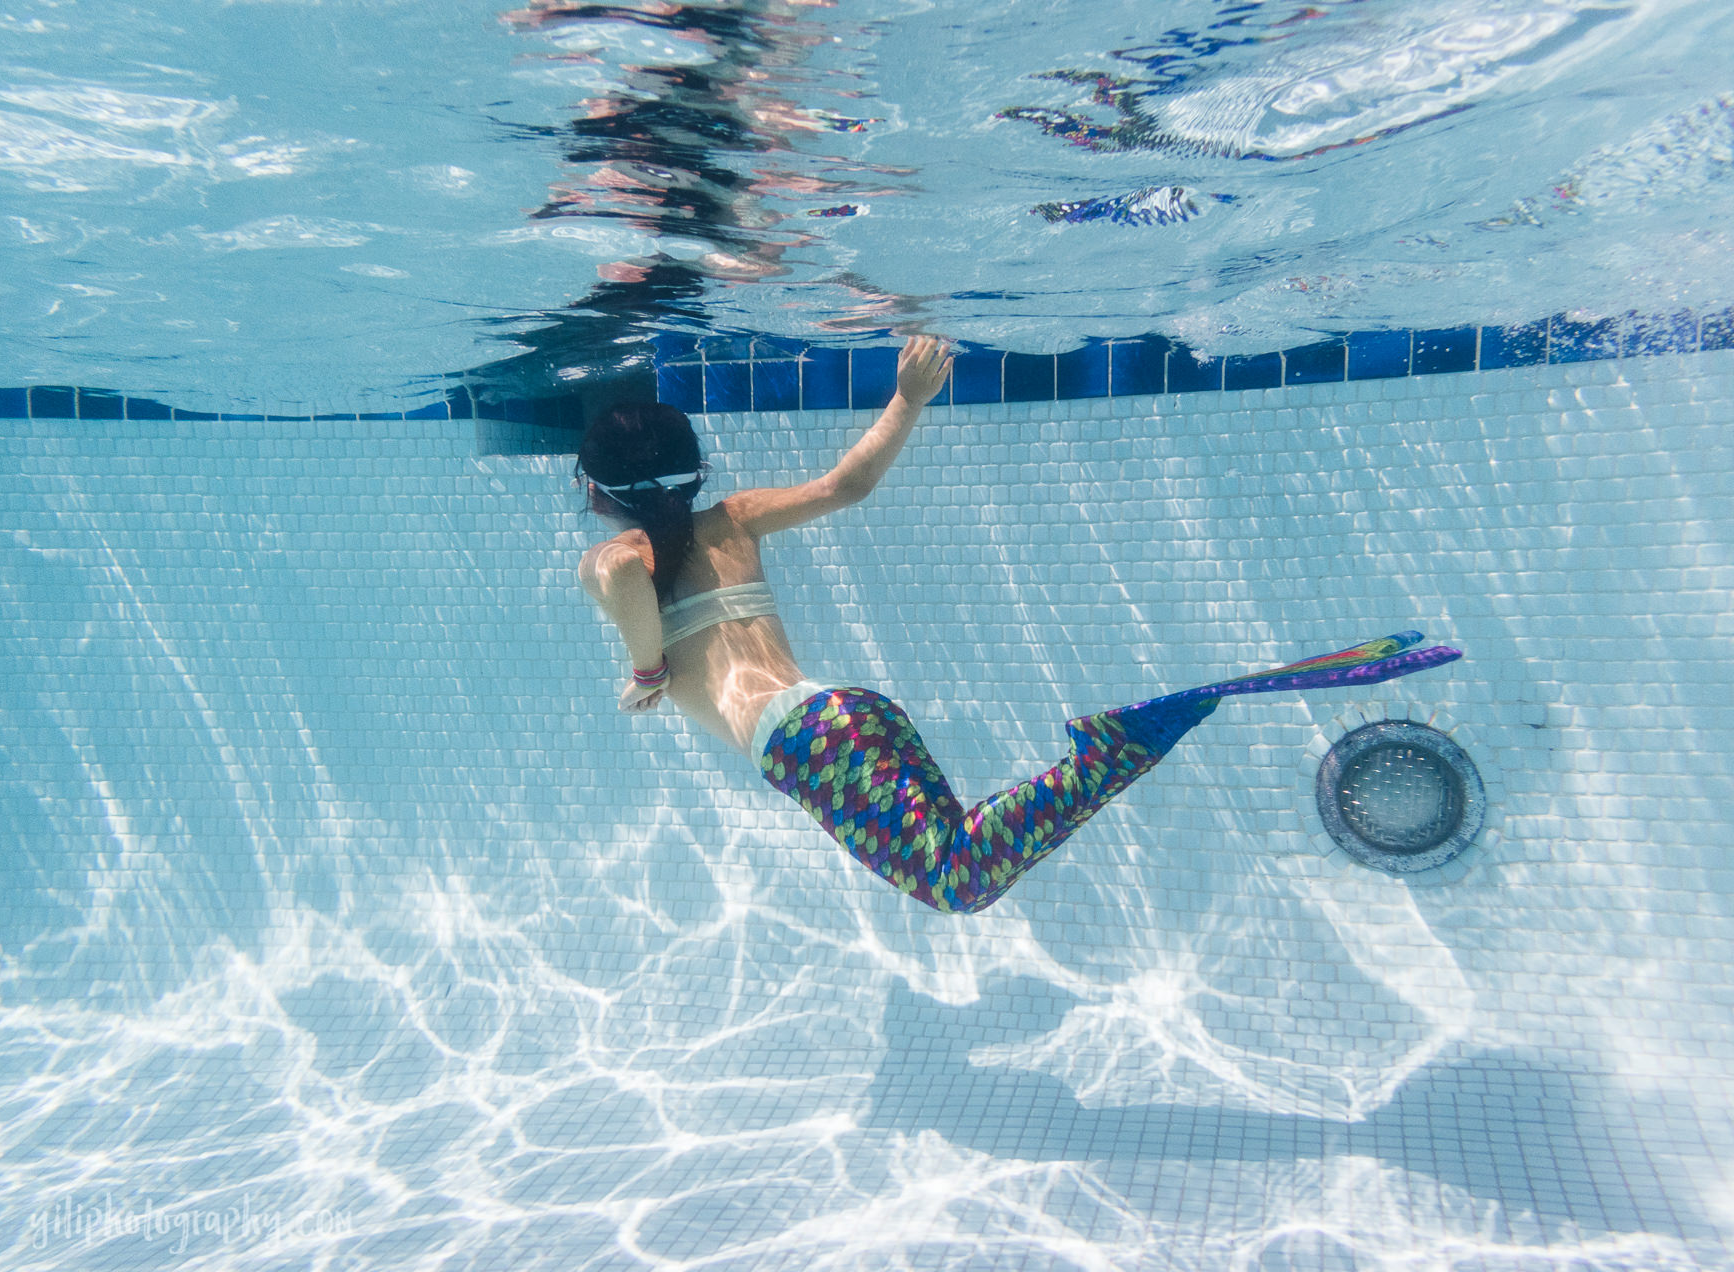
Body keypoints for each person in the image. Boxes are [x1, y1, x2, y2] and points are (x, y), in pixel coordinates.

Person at [577, 337, 1461, 914]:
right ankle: (1113, 750)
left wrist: (649, 671)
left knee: (957, 881)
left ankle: (1115, 748)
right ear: (692, 470)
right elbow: (846, 486)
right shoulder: (728, 519)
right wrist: (909, 399)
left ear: (593, 487)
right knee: (955, 854)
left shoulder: (622, 558)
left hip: (807, 739)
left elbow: (618, 569)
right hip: (844, 716)